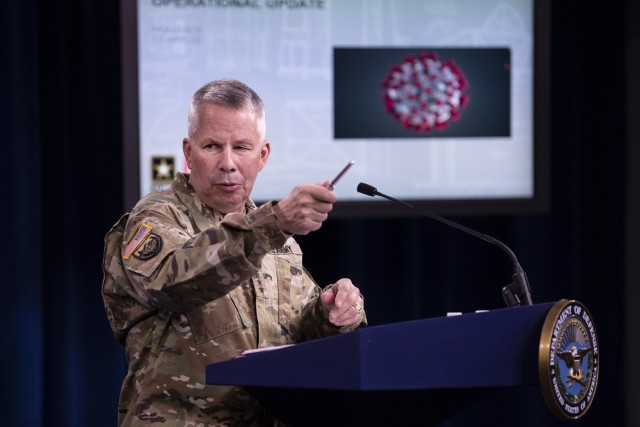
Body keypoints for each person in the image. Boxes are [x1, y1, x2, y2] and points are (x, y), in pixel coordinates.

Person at [101, 79, 366, 426]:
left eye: (241, 147)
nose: (228, 163)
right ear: (189, 151)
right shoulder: (156, 217)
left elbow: (299, 335)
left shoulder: (278, 240)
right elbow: (173, 282)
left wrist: (335, 313)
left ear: (263, 155)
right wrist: (273, 224)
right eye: (212, 146)